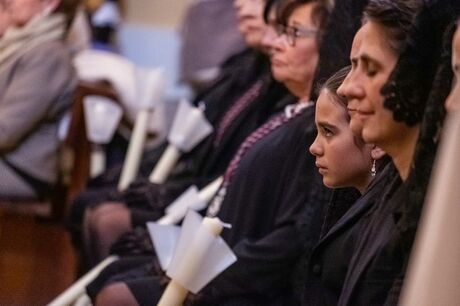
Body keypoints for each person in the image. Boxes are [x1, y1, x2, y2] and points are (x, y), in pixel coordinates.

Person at [90, 0, 336, 305]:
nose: (274, 41)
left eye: (293, 33)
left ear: (330, 42)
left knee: (115, 291)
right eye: (279, 31)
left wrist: (202, 271)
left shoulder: (314, 129)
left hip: (239, 280)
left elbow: (290, 238)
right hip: (216, 253)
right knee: (109, 263)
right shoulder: (286, 110)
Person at [77, 0, 293, 266]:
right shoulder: (244, 67)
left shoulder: (282, 98)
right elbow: (197, 140)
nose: (241, 6)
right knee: (91, 202)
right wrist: (143, 170)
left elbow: (233, 179)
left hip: (215, 216)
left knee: (107, 221)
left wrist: (166, 194)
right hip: (193, 189)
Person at [336, 0, 457, 304]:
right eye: (354, 67)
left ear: (413, 79)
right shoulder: (390, 186)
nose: (346, 88)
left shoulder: (433, 211)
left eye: (371, 69)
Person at [0, 0, 78, 199]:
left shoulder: (49, 54)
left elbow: (5, 131)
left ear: (50, 3)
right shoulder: (18, 43)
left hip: (20, 169)